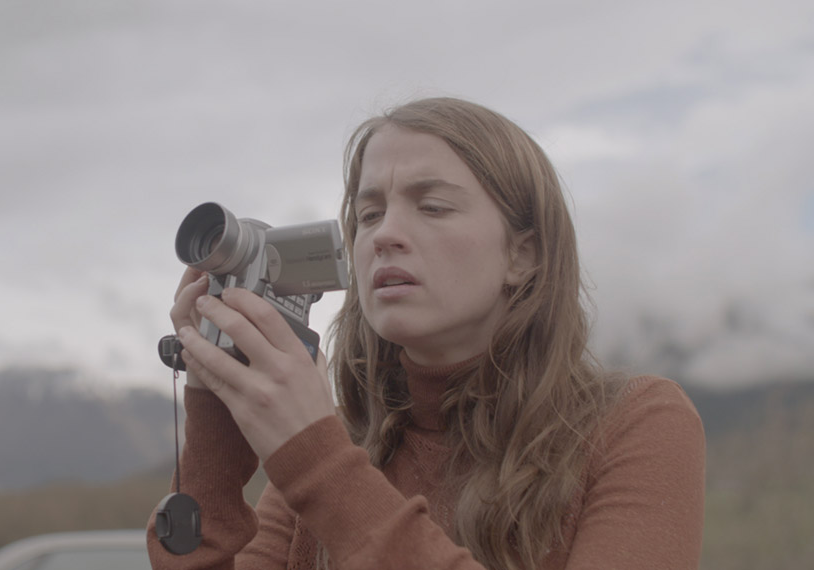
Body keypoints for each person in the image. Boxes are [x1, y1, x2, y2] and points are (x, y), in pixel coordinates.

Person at [147, 97, 705, 569]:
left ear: (524, 254)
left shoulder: (636, 424)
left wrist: (315, 460)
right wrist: (215, 416)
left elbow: (324, 471)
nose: (385, 234)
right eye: (367, 215)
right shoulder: (341, 449)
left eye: (432, 207)